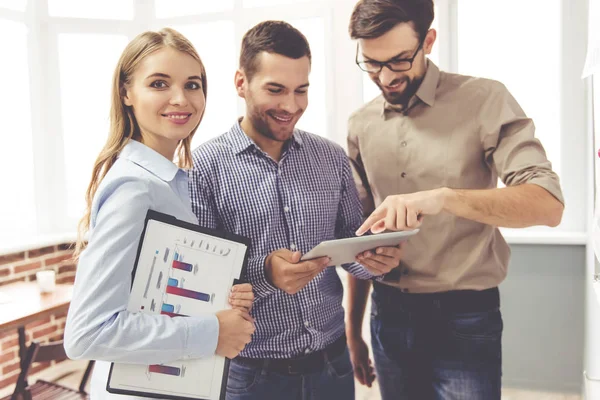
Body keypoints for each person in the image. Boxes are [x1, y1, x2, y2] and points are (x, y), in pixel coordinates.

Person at [345, 1, 565, 399]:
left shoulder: (484, 100)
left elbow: (548, 204)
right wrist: (353, 331)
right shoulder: (360, 125)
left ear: (428, 40)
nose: (385, 76)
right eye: (372, 64)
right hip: (388, 314)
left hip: (464, 316)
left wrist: (445, 198)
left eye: (398, 60)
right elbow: (360, 236)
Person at [189, 20, 403, 400]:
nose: (291, 105)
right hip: (251, 376)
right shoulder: (203, 169)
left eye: (301, 90)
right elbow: (199, 291)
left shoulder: (330, 158)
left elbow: (351, 247)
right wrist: (266, 275)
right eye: (276, 90)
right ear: (241, 83)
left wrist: (372, 257)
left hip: (332, 367)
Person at [63, 28, 255, 400]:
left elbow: (154, 289)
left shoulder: (168, 180)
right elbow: (88, 332)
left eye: (193, 84)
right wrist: (213, 331)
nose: (181, 99)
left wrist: (219, 295)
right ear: (126, 92)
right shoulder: (136, 189)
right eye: (159, 83)